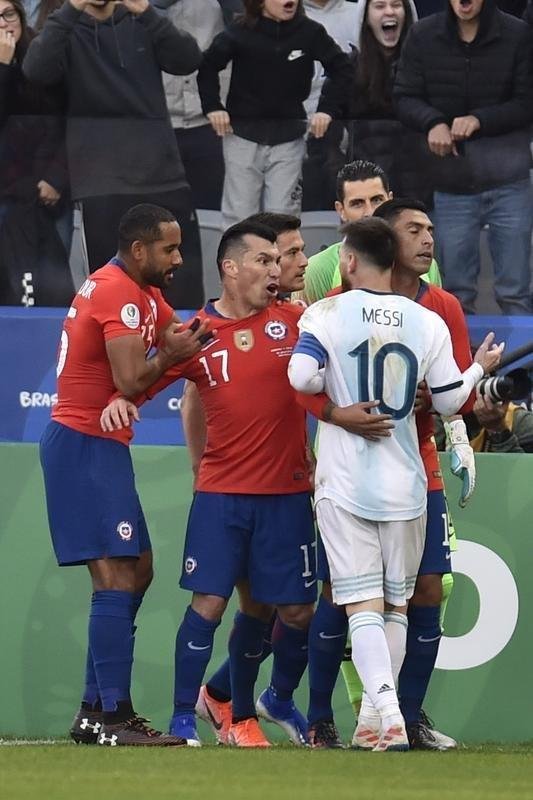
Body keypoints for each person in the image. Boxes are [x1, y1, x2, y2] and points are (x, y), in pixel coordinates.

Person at [289, 216, 503, 750]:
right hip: (408, 483)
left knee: (359, 603)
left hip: (345, 481)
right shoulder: (425, 320)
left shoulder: (326, 312)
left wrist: (335, 398)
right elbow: (453, 400)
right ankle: (373, 726)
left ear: (350, 260)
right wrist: (478, 369)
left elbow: (300, 378)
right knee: (397, 604)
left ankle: (385, 712)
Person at [39, 204, 211, 747]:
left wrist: (202, 342)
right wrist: (154, 370)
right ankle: (114, 719)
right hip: (82, 444)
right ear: (140, 250)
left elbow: (183, 344)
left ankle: (95, 710)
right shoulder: (116, 291)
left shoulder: (143, 294)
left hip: (100, 443)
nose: (178, 259)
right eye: (170, 249)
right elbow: (136, 373)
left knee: (137, 568)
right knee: (114, 574)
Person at [23, 0, 205, 309]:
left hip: (161, 175)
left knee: (181, 287)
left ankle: (183, 357)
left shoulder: (143, 20)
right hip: (101, 182)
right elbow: (36, 70)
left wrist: (147, 12)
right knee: (114, 293)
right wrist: (71, 9)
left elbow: (187, 59)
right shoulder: (65, 27)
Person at [394, 0, 533, 315]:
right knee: (455, 293)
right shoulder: (423, 34)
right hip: (451, 182)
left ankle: (520, 366)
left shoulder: (517, 34)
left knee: (516, 291)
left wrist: (480, 120)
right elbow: (404, 96)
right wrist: (433, 122)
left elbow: (527, 102)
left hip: (509, 182)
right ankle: (462, 363)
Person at [196, 0, 352, 227]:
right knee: (239, 218)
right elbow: (207, 66)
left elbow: (343, 69)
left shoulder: (310, 32)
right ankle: (237, 263)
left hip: (289, 139)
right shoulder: (239, 31)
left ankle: (283, 263)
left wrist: (327, 110)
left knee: (284, 220)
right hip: (241, 136)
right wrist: (212, 107)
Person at [315, 0, 435, 209]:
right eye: (380, 6)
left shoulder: (429, 66)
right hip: (366, 197)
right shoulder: (347, 70)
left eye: (396, 5)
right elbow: (325, 140)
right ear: (365, 18)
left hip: (420, 195)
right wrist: (345, 180)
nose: (389, 11)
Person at [0, 0, 73, 307]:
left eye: (8, 15)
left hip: (49, 193)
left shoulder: (45, 57)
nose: (4, 24)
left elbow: (70, 120)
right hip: (8, 199)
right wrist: (3, 68)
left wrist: (56, 177)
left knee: (54, 289)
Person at [301, 159, 441, 306]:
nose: (369, 212)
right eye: (357, 203)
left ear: (390, 200)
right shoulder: (316, 270)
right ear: (341, 210)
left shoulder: (425, 264)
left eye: (377, 200)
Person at [158, 0, 227, 211]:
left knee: (213, 213)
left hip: (213, 122)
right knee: (158, 218)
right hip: (158, 124)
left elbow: (249, 18)